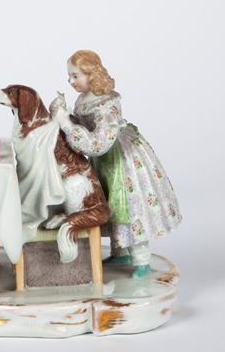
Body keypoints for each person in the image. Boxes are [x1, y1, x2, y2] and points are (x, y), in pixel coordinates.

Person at [50, 50, 182, 277]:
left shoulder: (106, 103)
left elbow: (98, 144)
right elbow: (85, 128)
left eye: (75, 76)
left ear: (91, 74)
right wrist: (66, 116)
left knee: (127, 206)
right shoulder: (83, 100)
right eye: (69, 76)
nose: (70, 81)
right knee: (108, 200)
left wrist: (66, 125)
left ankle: (141, 259)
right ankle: (119, 251)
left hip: (120, 159)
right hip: (104, 161)